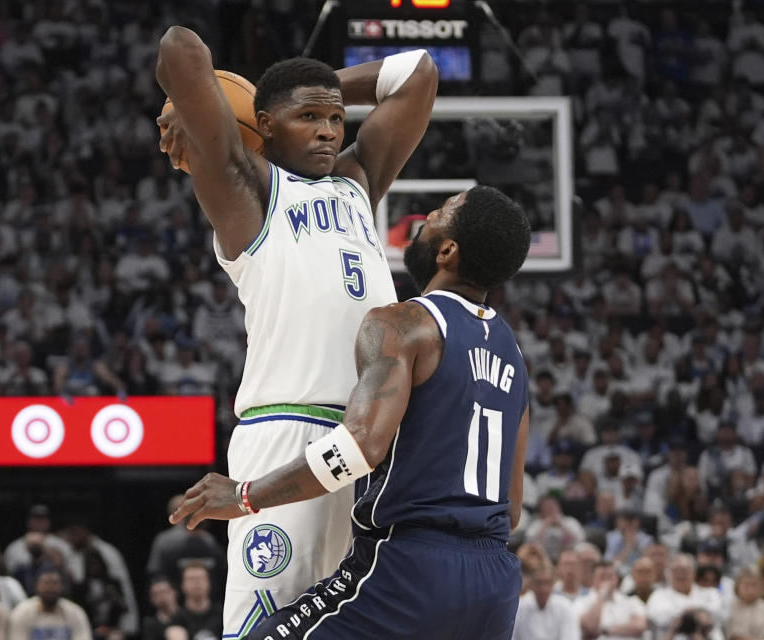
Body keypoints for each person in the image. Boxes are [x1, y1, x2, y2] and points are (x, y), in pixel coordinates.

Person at [155, 25, 438, 635]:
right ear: (263, 125)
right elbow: (180, 50)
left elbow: (417, 72)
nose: (329, 130)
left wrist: (316, 86)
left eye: (336, 118)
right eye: (308, 116)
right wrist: (227, 116)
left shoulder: (357, 184)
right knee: (265, 626)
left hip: (373, 435)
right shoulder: (246, 189)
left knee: (347, 626)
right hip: (286, 430)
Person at [169, 185, 531, 639]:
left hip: (411, 570)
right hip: (494, 586)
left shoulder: (403, 323)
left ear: (447, 251)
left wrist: (244, 496)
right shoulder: (513, 355)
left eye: (438, 214)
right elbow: (512, 506)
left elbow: (359, 447)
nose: (424, 220)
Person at [8, 567, 92, 640]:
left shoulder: (75, 612)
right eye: (46, 583)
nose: (50, 588)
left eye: (55, 583)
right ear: (37, 586)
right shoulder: (22, 612)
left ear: (61, 586)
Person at [573, 560, 648, 639]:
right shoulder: (581, 602)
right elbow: (590, 628)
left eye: (610, 576)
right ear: (593, 579)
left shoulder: (631, 601)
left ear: (617, 579)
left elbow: (639, 626)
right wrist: (602, 597)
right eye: (602, 577)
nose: (607, 581)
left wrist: (605, 631)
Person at [512, 563, 580, 640]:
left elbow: (570, 636)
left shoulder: (565, 607)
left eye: (547, 583)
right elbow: (511, 636)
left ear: (553, 584)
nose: (543, 588)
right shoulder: (519, 607)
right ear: (531, 584)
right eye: (539, 583)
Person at [164, 561, 221, 640]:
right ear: (183, 585)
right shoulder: (176, 619)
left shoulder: (223, 615)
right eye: (191, 579)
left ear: (209, 583)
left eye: (201, 578)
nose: (196, 582)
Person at [726, 567, 764, 640]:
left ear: (761, 587)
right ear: (737, 586)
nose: (750, 590)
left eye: (754, 585)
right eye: (746, 585)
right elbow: (734, 636)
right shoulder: (729, 605)